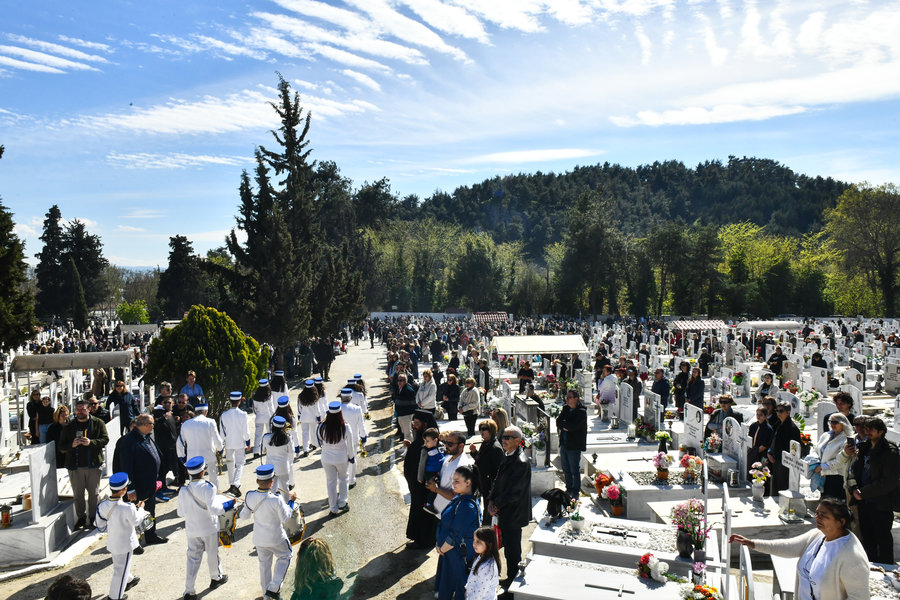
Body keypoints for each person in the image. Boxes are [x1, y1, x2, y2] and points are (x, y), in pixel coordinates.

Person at [730, 498, 869, 600]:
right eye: (817, 513)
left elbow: (859, 598)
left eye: (823, 515)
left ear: (841, 522)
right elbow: (788, 546)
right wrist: (752, 543)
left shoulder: (852, 556)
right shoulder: (817, 535)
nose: (817, 518)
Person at [177, 457, 232, 600]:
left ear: (189, 473)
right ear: (203, 471)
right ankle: (216, 578)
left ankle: (189, 591)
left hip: (192, 529)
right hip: (208, 528)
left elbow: (180, 513)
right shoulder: (209, 487)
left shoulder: (183, 490)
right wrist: (229, 505)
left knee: (192, 559)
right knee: (212, 554)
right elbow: (215, 509)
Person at [239, 464, 297, 600]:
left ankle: (267, 596)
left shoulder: (249, 496)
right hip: (277, 538)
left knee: (264, 566)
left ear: (257, 481)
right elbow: (286, 518)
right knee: (286, 556)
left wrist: (246, 505)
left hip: (259, 539)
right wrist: (291, 502)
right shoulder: (276, 499)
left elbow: (244, 516)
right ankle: (274, 588)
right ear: (272, 482)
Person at [848, 417, 900, 564]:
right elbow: (854, 470)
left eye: (871, 429)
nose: (867, 431)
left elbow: (888, 482)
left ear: (881, 431)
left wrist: (863, 492)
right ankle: (872, 566)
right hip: (864, 502)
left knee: (882, 538)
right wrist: (854, 489)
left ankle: (887, 567)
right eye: (866, 428)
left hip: (881, 504)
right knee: (868, 537)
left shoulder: (889, 452)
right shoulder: (865, 448)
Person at [488, 426, 531, 590]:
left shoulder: (521, 462)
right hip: (504, 511)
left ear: (517, 440)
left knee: (513, 552)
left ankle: (512, 585)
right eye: (503, 437)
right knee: (507, 549)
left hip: (514, 514)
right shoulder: (507, 456)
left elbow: (515, 492)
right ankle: (509, 579)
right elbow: (497, 480)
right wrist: (491, 500)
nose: (503, 440)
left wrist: (497, 504)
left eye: (507, 437)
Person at [59, 396, 109, 530]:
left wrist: (91, 442)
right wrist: (72, 445)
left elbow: (105, 439)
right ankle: (81, 517)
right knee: (78, 495)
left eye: (83, 409)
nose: (80, 412)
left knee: (94, 494)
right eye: (78, 409)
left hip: (93, 465)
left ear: (89, 410)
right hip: (75, 467)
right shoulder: (69, 426)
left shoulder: (98, 423)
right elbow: (61, 446)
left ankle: (93, 518)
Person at [118, 414, 167, 545]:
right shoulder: (129, 441)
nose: (153, 426)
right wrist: (130, 488)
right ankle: (135, 543)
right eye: (151, 424)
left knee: (149, 511)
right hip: (138, 485)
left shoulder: (146, 436)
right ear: (145, 425)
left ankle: (151, 536)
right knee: (136, 515)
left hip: (150, 483)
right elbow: (126, 466)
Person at [95, 472, 145, 600]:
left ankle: (129, 579)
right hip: (125, 543)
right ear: (124, 490)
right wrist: (141, 509)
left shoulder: (102, 505)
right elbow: (136, 521)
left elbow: (100, 525)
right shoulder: (128, 507)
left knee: (119, 565)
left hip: (113, 541)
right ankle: (114, 597)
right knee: (120, 571)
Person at [434, 465, 481, 600]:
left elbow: (455, 536)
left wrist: (441, 548)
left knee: (460, 588)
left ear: (468, 482)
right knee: (447, 585)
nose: (453, 484)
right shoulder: (459, 498)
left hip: (459, 556)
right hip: (449, 553)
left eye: (457, 481)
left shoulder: (467, 506)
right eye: (453, 480)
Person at [404, 409, 440, 549]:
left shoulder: (431, 443)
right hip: (417, 486)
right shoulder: (422, 438)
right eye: (413, 423)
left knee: (424, 513)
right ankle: (419, 538)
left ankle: (424, 541)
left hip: (423, 487)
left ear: (425, 424)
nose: (414, 426)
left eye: (417, 423)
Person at [317, 401, 355, 516]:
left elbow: (319, 442)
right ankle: (342, 502)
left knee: (331, 482)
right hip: (341, 458)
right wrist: (351, 457)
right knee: (343, 479)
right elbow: (350, 445)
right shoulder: (345, 427)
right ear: (340, 413)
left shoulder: (321, 426)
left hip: (326, 458)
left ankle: (333, 508)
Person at [427, 431, 474, 520]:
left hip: (449, 517)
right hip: (439, 512)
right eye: (445, 442)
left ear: (461, 446)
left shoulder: (461, 466)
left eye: (450, 444)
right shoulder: (449, 457)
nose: (446, 446)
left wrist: (436, 489)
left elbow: (456, 496)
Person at [176, 402, 224, 487]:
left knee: (193, 480)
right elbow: (217, 439)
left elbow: (179, 442)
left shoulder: (186, 424)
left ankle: (195, 494)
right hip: (209, 456)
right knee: (213, 478)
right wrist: (221, 451)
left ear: (195, 412)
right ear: (206, 412)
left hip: (192, 457)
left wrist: (182, 457)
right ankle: (214, 493)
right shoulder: (210, 422)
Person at [469, 420, 504, 524]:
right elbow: (482, 460)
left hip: (490, 485)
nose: (481, 431)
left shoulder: (495, 447)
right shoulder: (486, 443)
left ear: (491, 430)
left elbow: (498, 471)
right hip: (483, 483)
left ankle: (486, 528)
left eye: (484, 429)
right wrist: (474, 452)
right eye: (480, 429)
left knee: (489, 511)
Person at [219, 391, 251, 496]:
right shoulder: (243, 414)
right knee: (240, 463)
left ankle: (231, 484)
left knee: (230, 463)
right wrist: (248, 442)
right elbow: (246, 430)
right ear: (239, 401)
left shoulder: (224, 415)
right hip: (239, 443)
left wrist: (220, 446)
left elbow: (222, 432)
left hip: (228, 443)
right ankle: (235, 484)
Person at [557, 389, 587, 499]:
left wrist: (565, 426)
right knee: (565, 468)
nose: (567, 399)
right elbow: (558, 422)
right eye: (567, 397)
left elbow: (573, 426)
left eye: (569, 397)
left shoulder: (581, 412)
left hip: (574, 445)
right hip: (564, 443)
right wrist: (565, 426)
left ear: (576, 399)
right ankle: (569, 487)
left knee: (574, 469)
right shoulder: (566, 408)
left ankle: (575, 490)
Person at [767, 400, 801, 495]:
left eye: (781, 411)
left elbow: (792, 448)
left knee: (782, 485)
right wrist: (769, 453)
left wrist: (777, 457)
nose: (778, 413)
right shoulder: (778, 424)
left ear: (788, 412)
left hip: (784, 462)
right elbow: (772, 440)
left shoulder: (792, 428)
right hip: (775, 460)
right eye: (777, 410)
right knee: (776, 484)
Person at [815, 413, 851, 499]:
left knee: (834, 502)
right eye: (831, 422)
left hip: (837, 476)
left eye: (835, 422)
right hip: (823, 474)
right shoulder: (826, 435)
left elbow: (841, 461)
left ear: (842, 423)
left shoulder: (846, 439)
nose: (832, 424)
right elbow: (816, 449)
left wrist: (822, 467)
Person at [338, 388, 366, 488]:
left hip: (339, 440)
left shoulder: (337, 409)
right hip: (353, 439)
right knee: (352, 459)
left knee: (341, 461)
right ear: (351, 398)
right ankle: (351, 480)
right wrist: (363, 436)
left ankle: (342, 480)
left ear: (341, 398)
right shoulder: (357, 409)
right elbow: (361, 424)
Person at [153, 395, 180, 495]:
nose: (168, 404)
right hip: (164, 446)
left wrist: (176, 421)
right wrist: (164, 417)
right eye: (166, 402)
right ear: (162, 404)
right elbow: (155, 425)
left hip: (172, 446)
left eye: (170, 402)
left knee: (170, 467)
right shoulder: (159, 413)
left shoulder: (170, 413)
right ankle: (161, 489)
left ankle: (165, 486)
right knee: (163, 469)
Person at [465, 526, 501, 600]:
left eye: (478, 542)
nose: (474, 544)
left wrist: (468, 598)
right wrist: (467, 590)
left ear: (489, 544)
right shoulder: (480, 556)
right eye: (474, 540)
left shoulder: (488, 567)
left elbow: (480, 592)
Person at [263, 416, 294, 492]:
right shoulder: (287, 438)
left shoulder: (266, 437)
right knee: (285, 489)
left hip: (270, 467)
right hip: (283, 467)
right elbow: (291, 453)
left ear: (273, 426)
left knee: (272, 490)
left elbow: (264, 451)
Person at [419, 427, 445, 515]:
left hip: (438, 471)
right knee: (434, 488)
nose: (425, 443)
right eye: (424, 441)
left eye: (427, 441)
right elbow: (421, 464)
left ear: (435, 440)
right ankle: (429, 504)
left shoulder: (441, 446)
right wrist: (420, 477)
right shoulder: (425, 450)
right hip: (430, 472)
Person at [747, 407, 774, 484]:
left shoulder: (768, 429)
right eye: (757, 414)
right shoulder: (753, 426)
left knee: (759, 474)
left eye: (761, 415)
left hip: (761, 454)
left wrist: (754, 452)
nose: (758, 416)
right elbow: (750, 439)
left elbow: (764, 446)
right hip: (752, 452)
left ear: (766, 416)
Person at [297, 379, 322, 457]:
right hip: (313, 418)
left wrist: (299, 415)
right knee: (313, 431)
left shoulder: (300, 396)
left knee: (305, 433)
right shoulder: (315, 396)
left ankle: (305, 450)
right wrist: (318, 417)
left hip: (304, 417)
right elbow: (317, 409)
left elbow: (299, 408)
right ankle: (314, 444)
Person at [253, 379, 276, 457]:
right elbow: (271, 408)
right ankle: (269, 449)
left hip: (259, 417)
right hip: (268, 417)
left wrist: (258, 414)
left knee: (257, 435)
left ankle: (256, 452)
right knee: (270, 433)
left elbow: (254, 409)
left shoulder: (255, 396)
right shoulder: (269, 396)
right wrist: (274, 416)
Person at [395, 374, 418, 442]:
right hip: (400, 414)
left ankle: (409, 447)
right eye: (398, 380)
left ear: (405, 381)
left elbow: (413, 404)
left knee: (407, 433)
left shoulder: (409, 390)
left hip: (406, 415)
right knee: (404, 432)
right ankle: (406, 446)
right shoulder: (399, 388)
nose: (399, 382)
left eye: (401, 380)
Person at [46, 404, 70, 468]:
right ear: (58, 416)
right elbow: (49, 442)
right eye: (62, 415)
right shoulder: (52, 428)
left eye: (66, 415)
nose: (65, 417)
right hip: (58, 454)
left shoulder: (71, 425)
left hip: (70, 453)